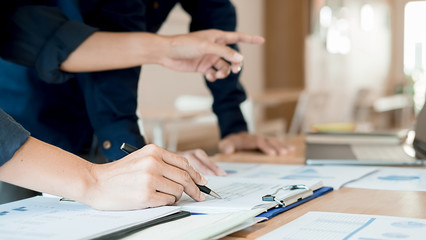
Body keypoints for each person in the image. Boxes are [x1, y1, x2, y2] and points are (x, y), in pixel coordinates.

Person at [0, 2, 264, 208]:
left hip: (91, 123)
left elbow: (215, 24)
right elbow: (35, 37)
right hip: (22, 118)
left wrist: (233, 123)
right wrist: (101, 175)